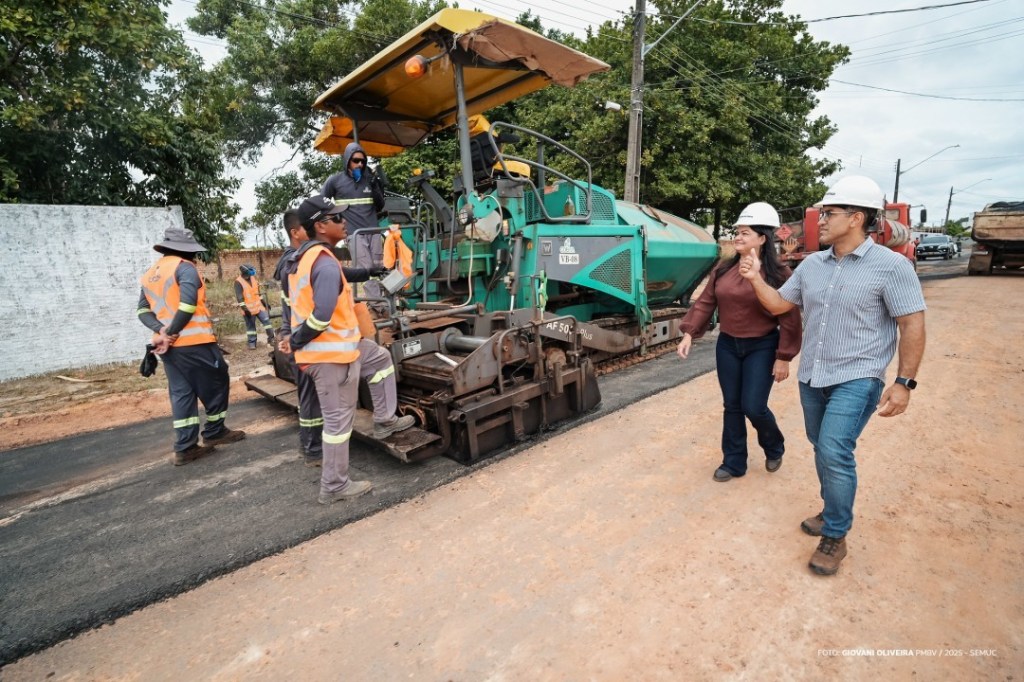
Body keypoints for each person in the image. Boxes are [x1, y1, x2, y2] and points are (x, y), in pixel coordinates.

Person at [738, 176, 926, 576]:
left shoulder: (891, 267)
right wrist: (755, 278)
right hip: (814, 375)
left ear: (856, 218)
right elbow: (778, 307)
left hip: (859, 375)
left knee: (835, 449)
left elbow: (912, 323)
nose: (820, 220)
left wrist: (904, 382)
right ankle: (830, 510)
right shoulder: (812, 266)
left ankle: (836, 535)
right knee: (820, 445)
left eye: (830, 213)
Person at [275, 209, 414, 468]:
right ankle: (322, 463)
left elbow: (342, 274)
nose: (345, 222)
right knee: (332, 417)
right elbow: (313, 313)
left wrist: (373, 271)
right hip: (321, 350)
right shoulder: (308, 261)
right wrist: (291, 339)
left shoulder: (311, 258)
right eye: (337, 219)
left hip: (330, 344)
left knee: (380, 359)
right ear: (319, 227)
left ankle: (384, 420)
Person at [676, 202, 802, 482]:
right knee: (732, 405)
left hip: (763, 346)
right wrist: (689, 333)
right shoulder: (723, 269)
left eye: (745, 233)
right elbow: (707, 301)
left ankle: (773, 445)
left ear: (762, 238)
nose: (738, 237)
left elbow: (790, 316)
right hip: (728, 345)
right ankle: (733, 463)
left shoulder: (780, 274)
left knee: (753, 406)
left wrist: (784, 355)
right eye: (738, 232)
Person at [137, 226, 246, 465]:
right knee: (217, 381)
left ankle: (185, 447)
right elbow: (187, 305)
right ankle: (215, 431)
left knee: (182, 392)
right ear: (185, 250)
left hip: (169, 350)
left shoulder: (150, 274)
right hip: (194, 342)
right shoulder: (185, 268)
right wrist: (172, 332)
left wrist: (161, 331)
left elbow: (142, 310)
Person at [320, 142, 387, 312]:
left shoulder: (369, 179)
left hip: (374, 231)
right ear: (347, 160)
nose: (360, 164)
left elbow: (380, 206)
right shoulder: (335, 181)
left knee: (378, 268)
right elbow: (321, 202)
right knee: (365, 268)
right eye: (356, 160)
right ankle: (377, 305)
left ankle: (384, 301)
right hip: (355, 234)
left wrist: (375, 186)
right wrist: (335, 218)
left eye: (363, 161)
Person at [234, 264, 275, 349]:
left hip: (259, 307)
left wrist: (264, 303)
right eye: (251, 270)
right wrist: (245, 309)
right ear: (245, 271)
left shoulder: (253, 279)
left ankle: (271, 339)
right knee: (251, 327)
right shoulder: (238, 282)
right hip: (248, 309)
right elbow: (239, 298)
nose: (253, 271)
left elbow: (257, 293)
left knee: (267, 322)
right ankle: (252, 343)